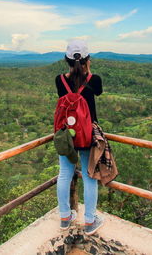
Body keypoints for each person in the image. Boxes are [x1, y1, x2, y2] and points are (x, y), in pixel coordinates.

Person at [55, 39, 104, 235]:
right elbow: (97, 92)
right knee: (90, 176)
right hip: (87, 135)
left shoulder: (60, 80)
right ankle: (90, 220)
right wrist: (88, 69)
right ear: (87, 59)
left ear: (67, 60)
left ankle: (65, 217)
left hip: (67, 134)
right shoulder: (95, 79)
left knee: (65, 173)